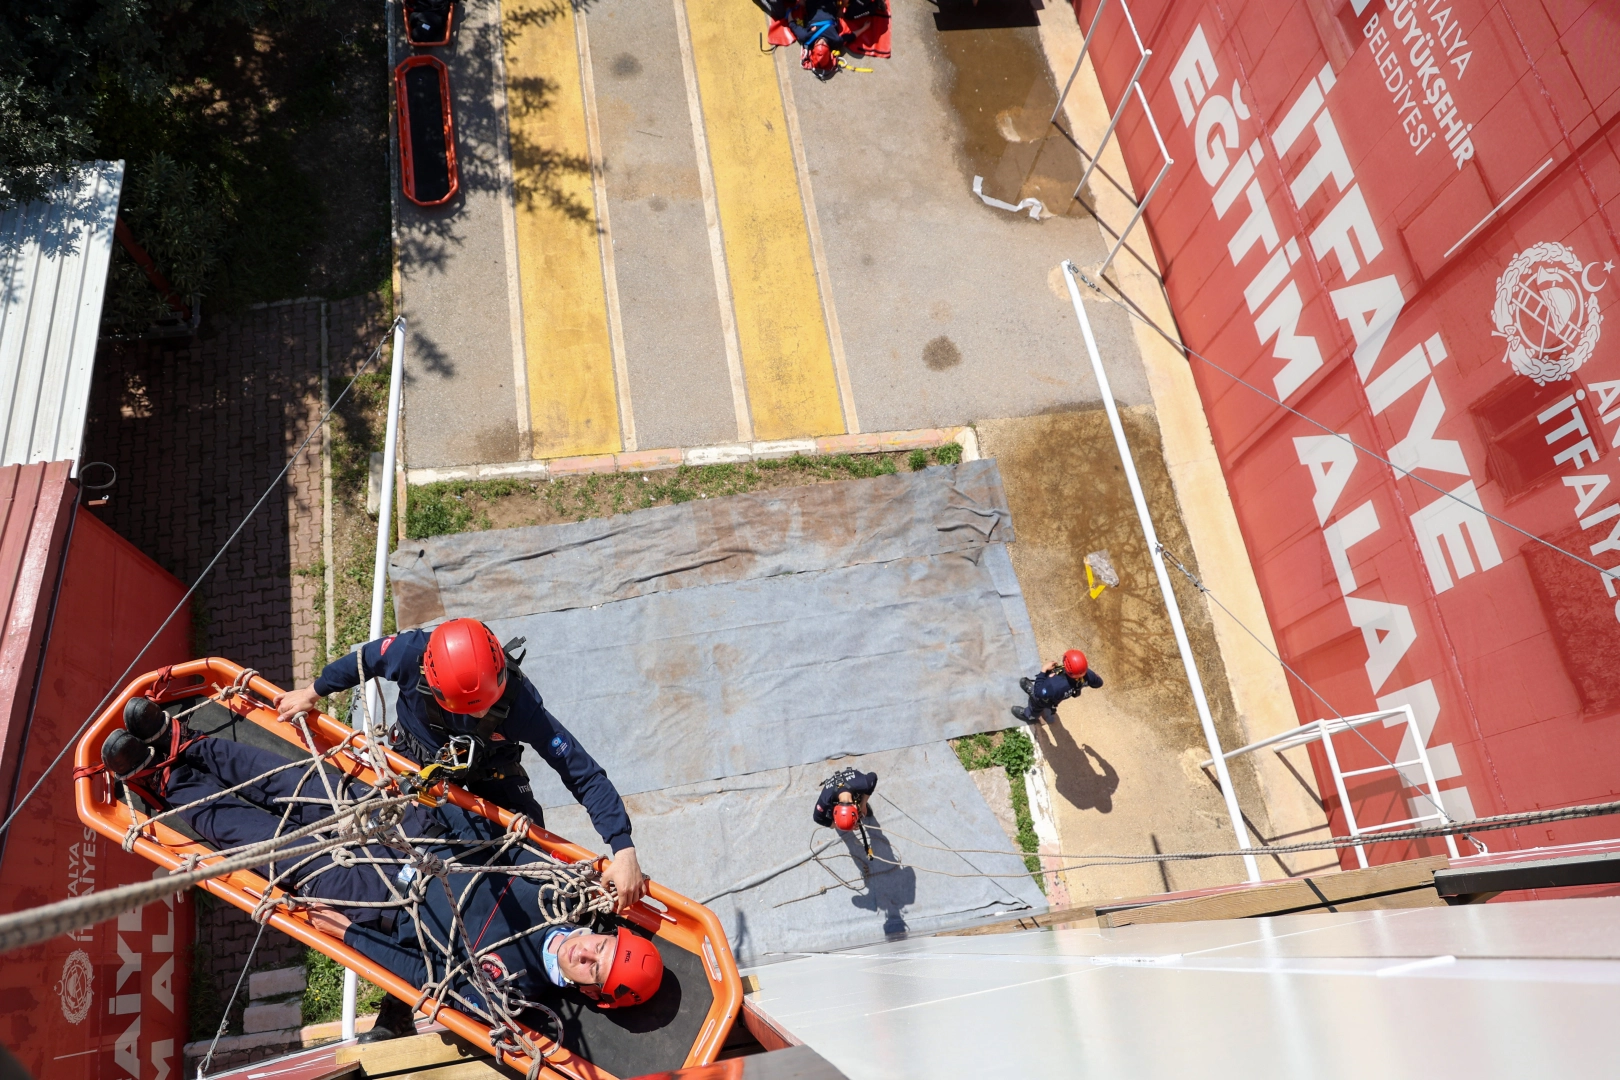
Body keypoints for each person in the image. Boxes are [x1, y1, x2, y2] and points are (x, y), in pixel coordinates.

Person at [98, 714, 665, 1031]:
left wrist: (350, 935)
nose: (585, 953)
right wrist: (427, 803)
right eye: (600, 946)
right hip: (412, 835)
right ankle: (184, 743)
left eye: (593, 968)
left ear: (594, 995)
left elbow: (420, 974)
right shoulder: (558, 893)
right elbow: (496, 842)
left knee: (261, 841)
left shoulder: (513, 993)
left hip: (381, 900)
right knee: (295, 783)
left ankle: (164, 780)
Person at [274, 619, 646, 913]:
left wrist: (623, 847)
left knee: (527, 844)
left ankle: (545, 906)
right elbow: (366, 659)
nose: (482, 715)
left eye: (488, 706)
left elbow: (580, 771)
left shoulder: (521, 706)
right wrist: (312, 692)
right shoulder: (409, 653)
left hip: (489, 768)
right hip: (416, 757)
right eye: (471, 710)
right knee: (406, 837)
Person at [1011, 648, 1103, 724]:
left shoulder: (1055, 685)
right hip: (1057, 695)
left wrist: (1043, 670)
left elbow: (1038, 693)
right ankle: (1035, 692)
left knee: (1036, 702)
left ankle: (1030, 715)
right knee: (1045, 693)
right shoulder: (1087, 674)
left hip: (1045, 697)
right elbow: (1098, 683)